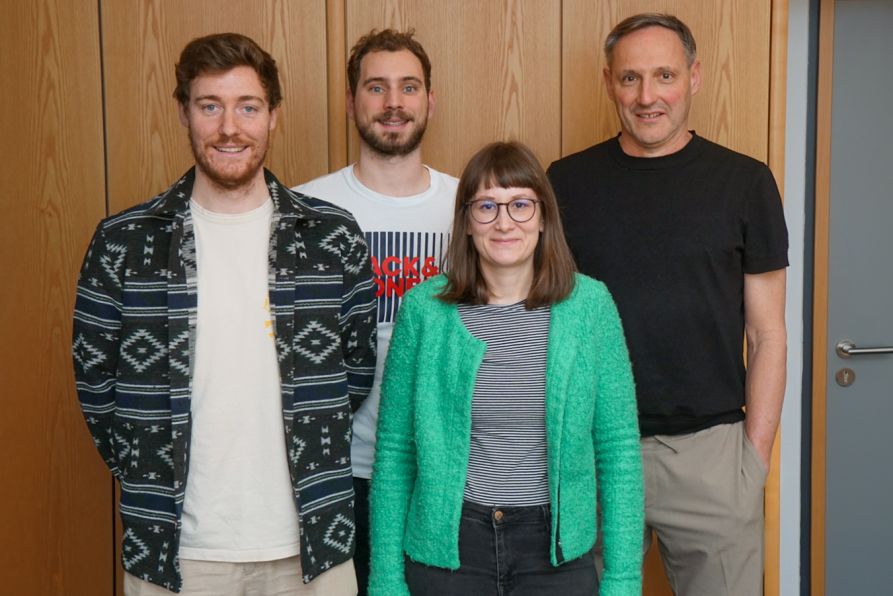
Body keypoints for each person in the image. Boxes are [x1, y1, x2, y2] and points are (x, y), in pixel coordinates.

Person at [72, 33, 376, 595]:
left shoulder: (333, 238)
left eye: (248, 107)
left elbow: (356, 372)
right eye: (210, 106)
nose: (229, 127)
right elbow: (96, 387)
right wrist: (149, 472)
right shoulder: (123, 243)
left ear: (273, 117)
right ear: (184, 113)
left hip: (314, 543)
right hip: (173, 550)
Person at [547, 13, 788, 596]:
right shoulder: (566, 182)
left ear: (695, 76)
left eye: (664, 75)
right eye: (630, 79)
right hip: (593, 448)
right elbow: (543, 319)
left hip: (710, 455)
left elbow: (769, 334)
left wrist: (751, 462)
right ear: (609, 83)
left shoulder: (746, 182)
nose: (647, 96)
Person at [368, 141, 644, 596]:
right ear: (466, 223)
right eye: (487, 206)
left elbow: (618, 454)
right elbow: (396, 454)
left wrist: (622, 579)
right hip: (449, 550)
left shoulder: (589, 306)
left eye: (520, 204)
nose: (504, 222)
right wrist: (385, 580)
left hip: (555, 552)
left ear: (542, 217)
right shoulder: (424, 310)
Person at [295, 28, 457, 594]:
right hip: (337, 474)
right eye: (377, 87)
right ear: (351, 101)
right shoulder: (304, 210)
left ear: (430, 101)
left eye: (409, 87)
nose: (394, 103)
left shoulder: (474, 208)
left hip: (444, 470)